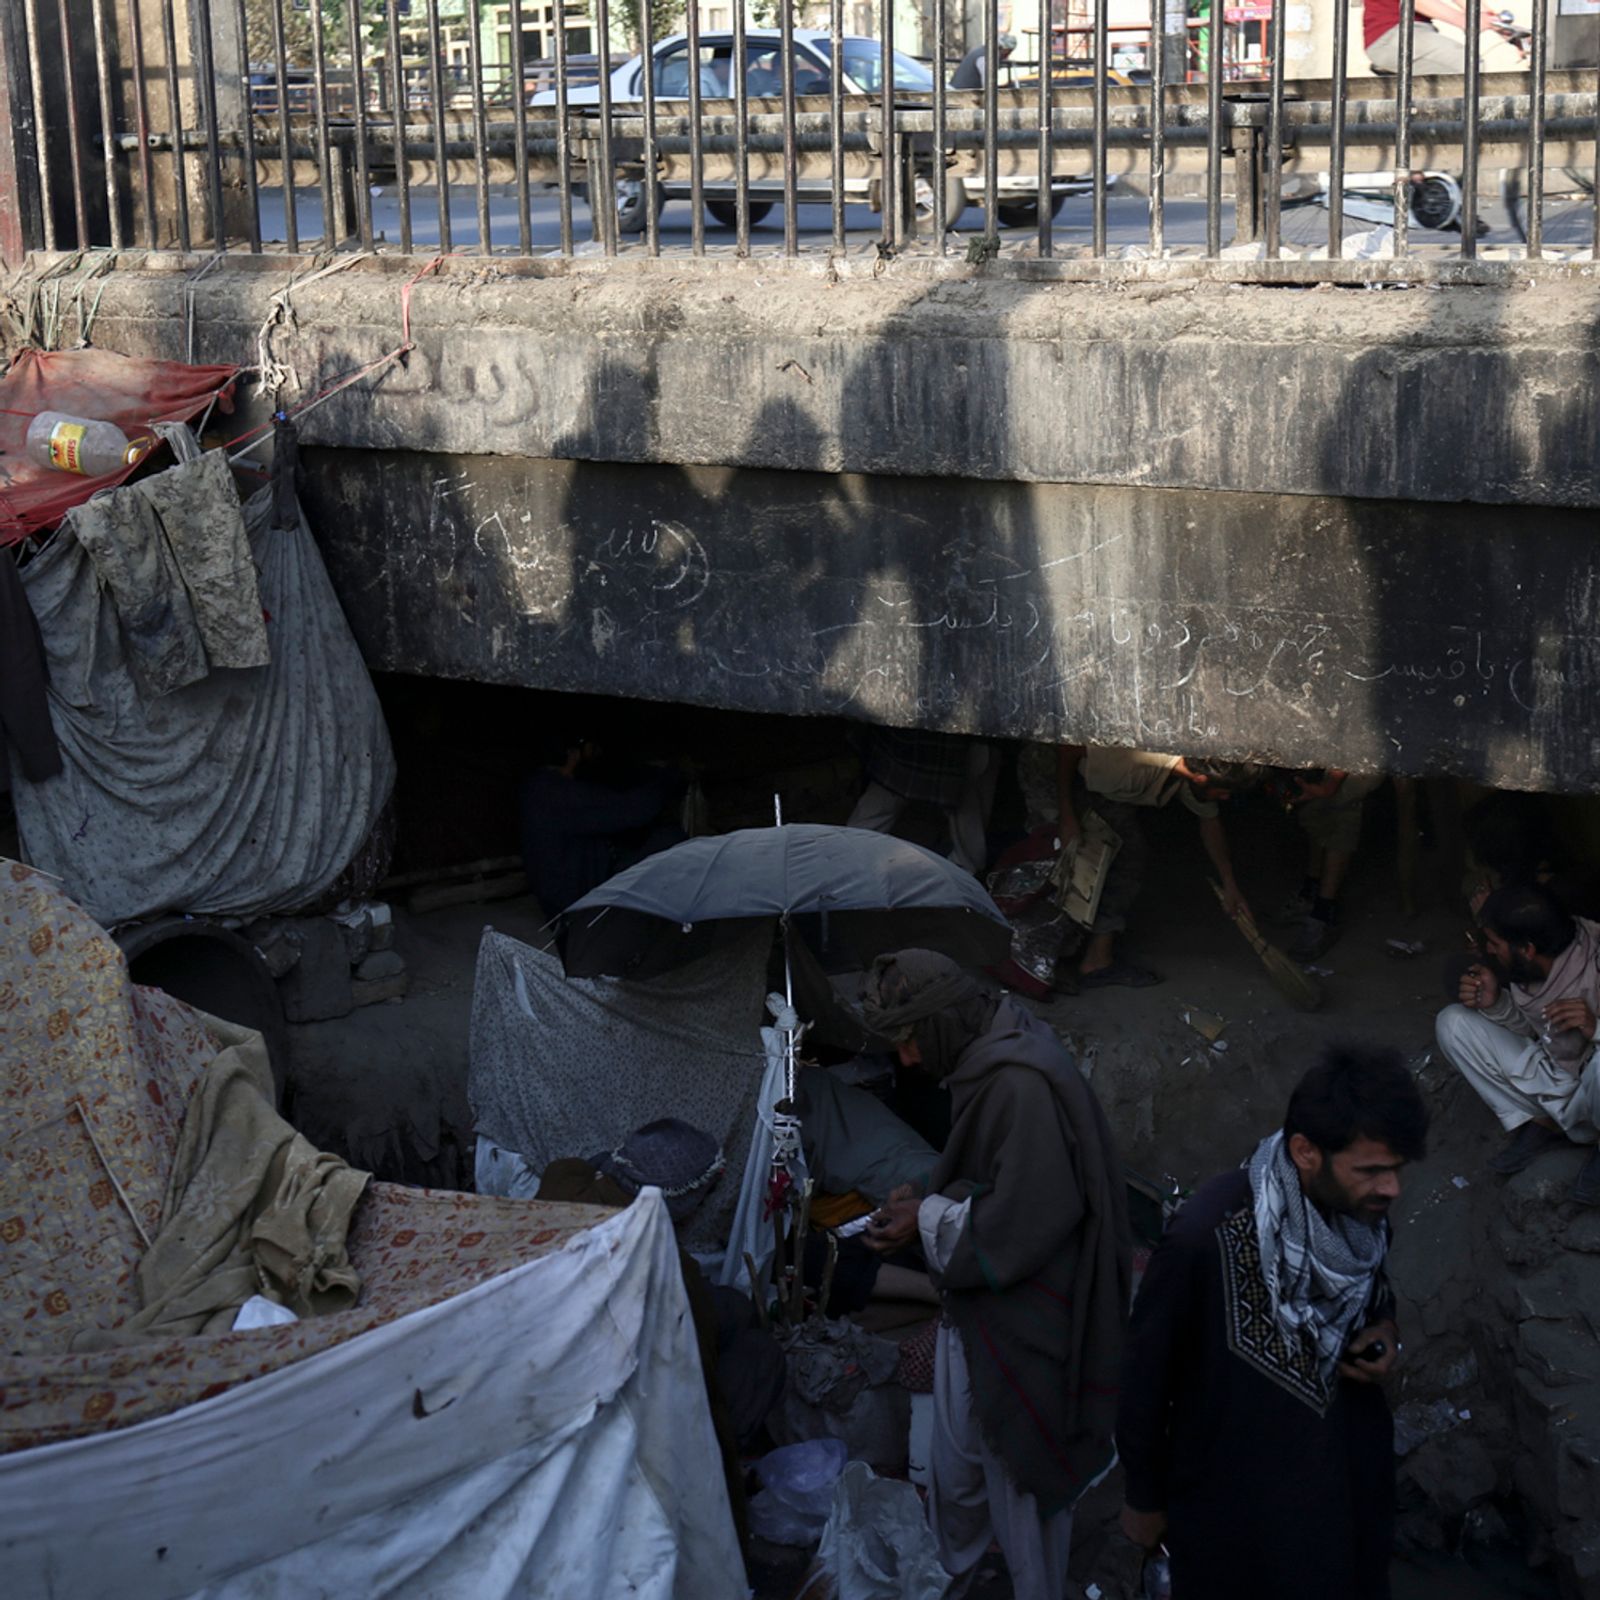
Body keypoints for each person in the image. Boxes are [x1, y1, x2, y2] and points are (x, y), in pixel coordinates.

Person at [857, 950, 1131, 1600]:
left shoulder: (1020, 1083)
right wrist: (927, 1192)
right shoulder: (991, 1051)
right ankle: (953, 1580)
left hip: (1032, 1312)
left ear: (941, 1022)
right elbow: (991, 1172)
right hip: (975, 1314)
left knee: (1025, 1491)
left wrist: (925, 1214)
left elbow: (1022, 1221)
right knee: (956, 1479)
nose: (908, 1061)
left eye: (910, 1041)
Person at [1117, 1045, 1429, 1600]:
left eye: (1396, 1170)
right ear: (1306, 1151)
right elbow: (1145, 1375)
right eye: (1373, 1171)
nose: (1392, 1189)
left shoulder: (1362, 1216)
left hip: (1343, 1484)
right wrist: (1143, 1498)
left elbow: (1376, 1292)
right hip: (1237, 1506)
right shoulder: (1204, 1234)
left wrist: (1384, 1330)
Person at [538, 1119, 786, 1558]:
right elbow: (698, 1388)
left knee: (734, 1307)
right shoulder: (669, 1273)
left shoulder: (566, 1176)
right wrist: (726, 1512)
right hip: (610, 1380)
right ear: (682, 1203)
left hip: (558, 1327)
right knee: (758, 1354)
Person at [1435, 884, 1600, 1207]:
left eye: (1495, 944)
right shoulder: (1535, 966)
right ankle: (1543, 1120)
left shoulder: (1593, 957)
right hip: (1564, 1078)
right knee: (1453, 1023)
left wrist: (1595, 1028)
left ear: (1526, 948)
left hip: (1594, 1083)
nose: (1490, 951)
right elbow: (1539, 1030)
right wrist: (1496, 1003)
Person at [1057, 745, 1257, 988]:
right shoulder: (1131, 763)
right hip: (1060, 781)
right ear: (1201, 779)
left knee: (1126, 862)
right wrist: (1066, 816)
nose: (1226, 798)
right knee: (1070, 868)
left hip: (1110, 791)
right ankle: (1057, 961)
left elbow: (1210, 821)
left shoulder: (1194, 772)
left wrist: (1229, 885)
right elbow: (1068, 749)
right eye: (1224, 792)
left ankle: (1092, 958)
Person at [516, 730, 686, 916]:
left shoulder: (535, 786)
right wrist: (670, 777)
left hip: (555, 887)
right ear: (572, 754)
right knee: (669, 838)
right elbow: (634, 810)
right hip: (573, 899)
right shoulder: (561, 795)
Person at [847, 726, 997, 875]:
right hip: (916, 731)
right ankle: (847, 854)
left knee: (963, 798)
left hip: (953, 737)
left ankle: (965, 871)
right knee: (886, 792)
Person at [1274, 767, 1387, 960]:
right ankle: (1310, 894)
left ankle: (1323, 915)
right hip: (1334, 754)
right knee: (1314, 812)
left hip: (1357, 755)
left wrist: (1331, 783)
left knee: (1341, 810)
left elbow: (1355, 742)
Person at [1364, 0, 1522, 75]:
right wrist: (1462, 19)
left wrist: (1509, 32)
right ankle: (1462, 136)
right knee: (1465, 62)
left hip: (1416, 33)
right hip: (1390, 35)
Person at [950, 31, 1017, 87]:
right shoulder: (985, 57)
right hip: (962, 95)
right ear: (1003, 49)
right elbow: (988, 84)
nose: (1008, 55)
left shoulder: (982, 52)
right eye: (1009, 51)